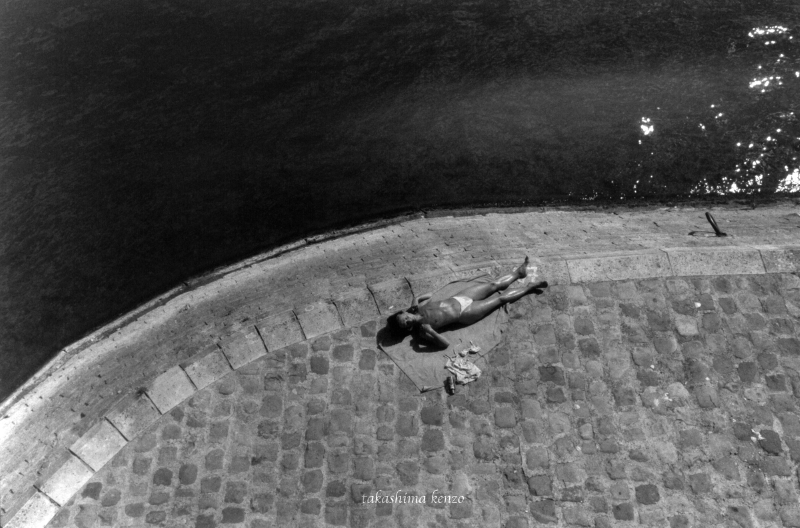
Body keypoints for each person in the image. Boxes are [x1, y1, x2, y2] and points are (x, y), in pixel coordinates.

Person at [390, 257, 547, 349]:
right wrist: (431, 332)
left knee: (493, 285)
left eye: (403, 317)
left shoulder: (416, 307)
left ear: (405, 312)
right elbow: (445, 345)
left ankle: (519, 273)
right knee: (500, 299)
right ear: (408, 327)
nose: (406, 320)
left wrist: (425, 296)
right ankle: (529, 288)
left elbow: (417, 297)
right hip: (465, 313)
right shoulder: (423, 331)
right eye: (405, 324)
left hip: (459, 297)